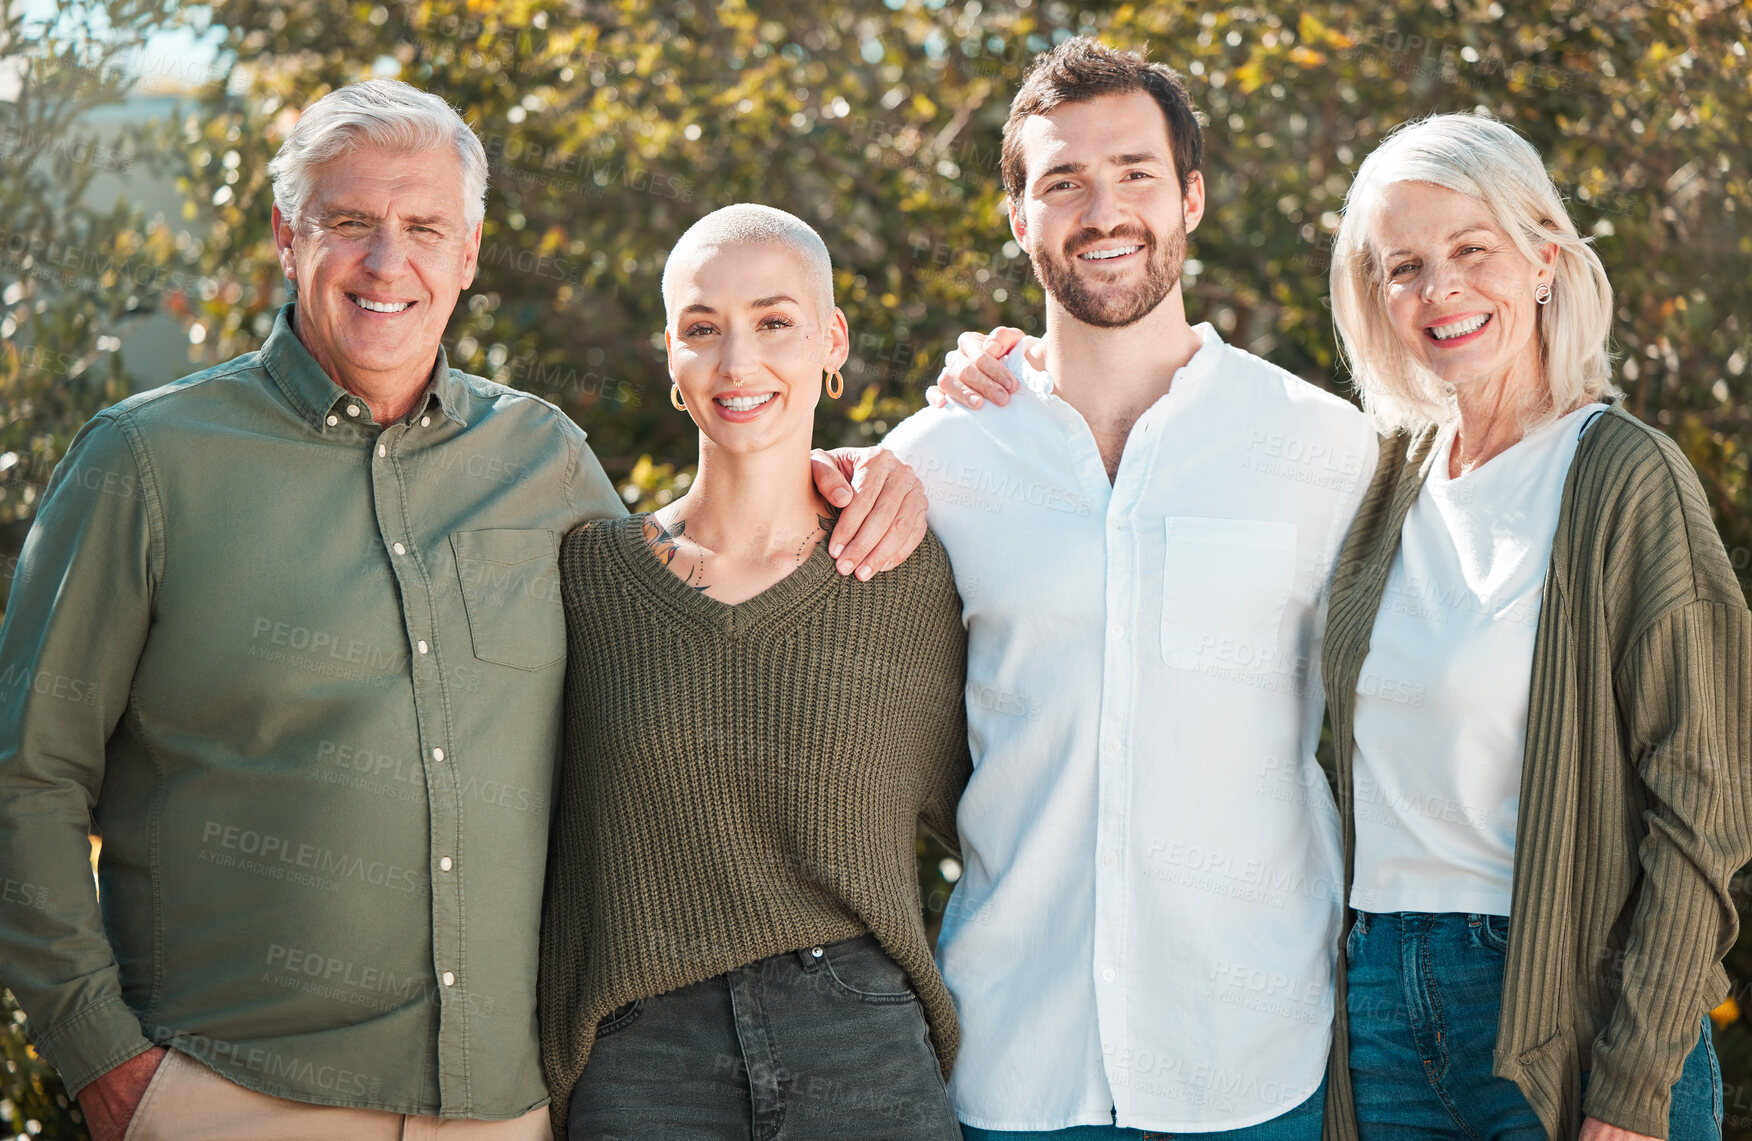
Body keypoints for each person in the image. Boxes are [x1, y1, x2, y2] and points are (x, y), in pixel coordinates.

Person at [0, 80, 925, 1140]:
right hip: (236, 1096)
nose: (389, 263)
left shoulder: (542, 459)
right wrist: (103, 1058)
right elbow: (27, 770)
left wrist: (861, 475)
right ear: (287, 239)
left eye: (424, 227)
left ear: (469, 252)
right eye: (351, 223)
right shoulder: (147, 463)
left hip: (499, 1112)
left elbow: (689, 614)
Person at [886, 38, 1378, 1138]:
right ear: (1021, 219)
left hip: (1254, 1062)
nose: (1102, 209)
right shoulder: (935, 459)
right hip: (1013, 1061)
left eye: (1136, 173)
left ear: (1192, 197)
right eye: (1062, 181)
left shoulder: (1324, 450)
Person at [1317, 112, 1751, 1141]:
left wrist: (1637, 1083)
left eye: (1473, 250)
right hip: (1378, 1001)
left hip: (1566, 1004)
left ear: (1545, 258)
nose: (1441, 289)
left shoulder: (1622, 476)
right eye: (1405, 265)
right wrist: (1011, 367)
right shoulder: (1380, 481)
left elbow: (1705, 804)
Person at [537, 203, 970, 1140]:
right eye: (703, 329)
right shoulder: (590, 577)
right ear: (670, 358)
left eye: (774, 321)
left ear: (830, 339)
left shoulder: (906, 575)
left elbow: (1006, 802)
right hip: (646, 1057)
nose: (737, 364)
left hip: (860, 1040)